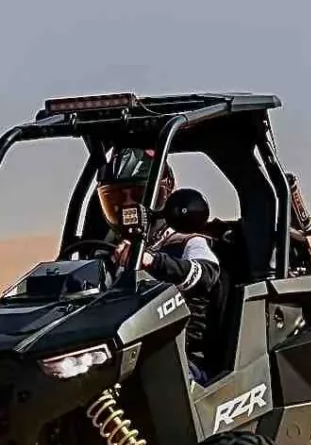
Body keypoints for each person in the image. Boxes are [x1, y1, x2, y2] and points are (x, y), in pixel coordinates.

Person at [95, 147, 223, 385]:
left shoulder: (187, 241)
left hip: (183, 362)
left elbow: (206, 274)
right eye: (116, 199)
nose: (128, 206)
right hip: (122, 356)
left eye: (138, 195)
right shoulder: (108, 252)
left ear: (163, 196)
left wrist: (152, 261)